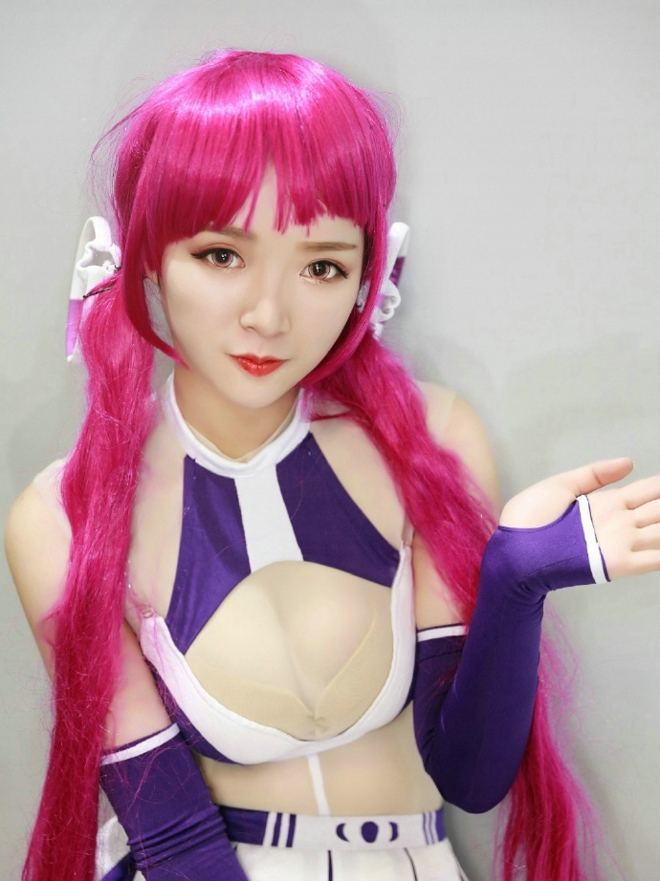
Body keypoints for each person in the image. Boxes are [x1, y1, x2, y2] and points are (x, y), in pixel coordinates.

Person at [4, 50, 658, 881]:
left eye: (321, 266)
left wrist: (515, 577)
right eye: (220, 254)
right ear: (146, 256)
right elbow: (175, 840)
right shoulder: (63, 517)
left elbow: (471, 775)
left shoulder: (430, 440)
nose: (268, 314)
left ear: (365, 278)